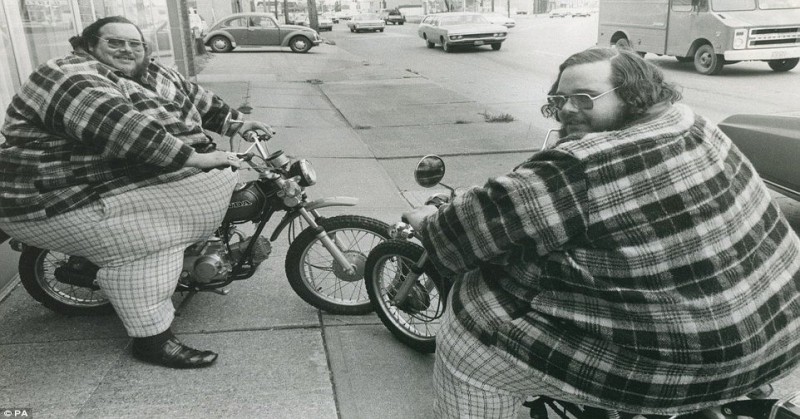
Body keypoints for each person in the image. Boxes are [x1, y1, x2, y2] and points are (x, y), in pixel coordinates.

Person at [404, 47, 800, 417]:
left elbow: (453, 240)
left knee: (469, 332)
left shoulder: (575, 167)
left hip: (683, 368)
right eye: (559, 99)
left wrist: (425, 219)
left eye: (585, 98)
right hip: (780, 333)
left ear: (634, 95)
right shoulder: (692, 124)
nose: (567, 110)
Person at [0, 16, 273, 369]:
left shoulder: (149, 72)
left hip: (104, 181)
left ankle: (190, 260)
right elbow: (123, 128)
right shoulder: (69, 75)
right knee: (146, 240)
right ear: (89, 45)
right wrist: (195, 158)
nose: (127, 50)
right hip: (55, 194)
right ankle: (152, 341)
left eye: (135, 44)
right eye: (114, 43)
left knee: (172, 218)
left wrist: (236, 122)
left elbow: (194, 97)